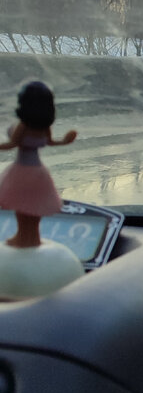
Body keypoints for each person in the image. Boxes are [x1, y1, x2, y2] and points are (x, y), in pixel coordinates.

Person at [0, 81, 82, 299]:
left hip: (23, 171)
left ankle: (25, 237)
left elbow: (11, 145)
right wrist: (64, 141)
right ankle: (26, 236)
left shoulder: (24, 126)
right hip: (35, 172)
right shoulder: (40, 126)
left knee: (25, 207)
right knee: (32, 208)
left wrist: (65, 140)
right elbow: (51, 143)